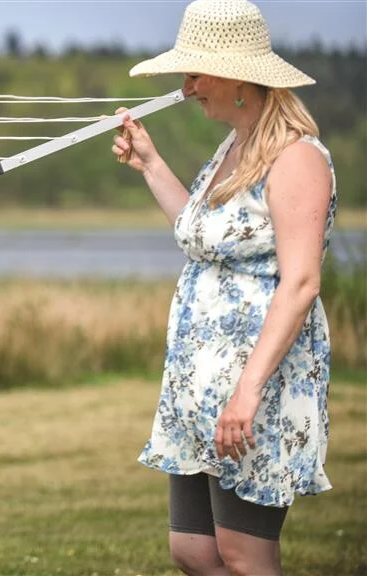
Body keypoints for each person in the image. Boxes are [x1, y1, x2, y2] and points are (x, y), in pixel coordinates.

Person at [111, 1, 336, 574]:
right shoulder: (233, 149)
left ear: (237, 78)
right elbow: (204, 238)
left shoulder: (296, 157)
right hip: (198, 381)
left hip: (255, 381)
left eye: (195, 74)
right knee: (193, 551)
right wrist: (151, 164)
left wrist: (247, 391)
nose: (186, 88)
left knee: (243, 554)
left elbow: (301, 282)